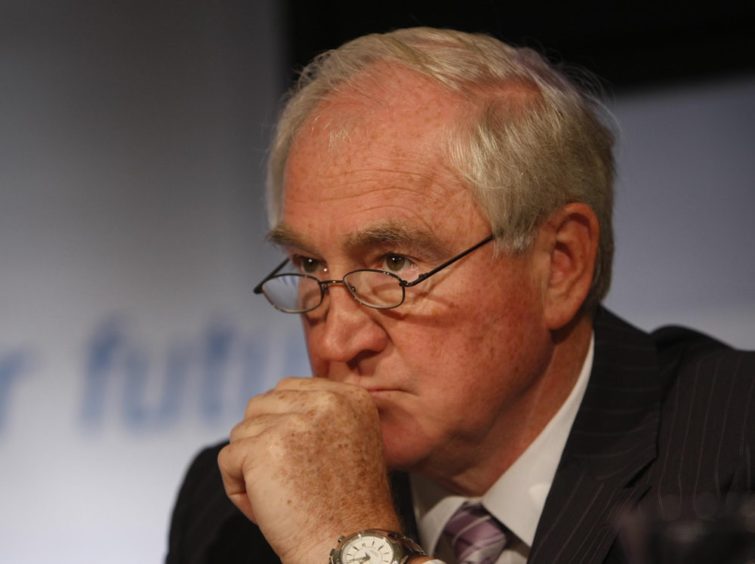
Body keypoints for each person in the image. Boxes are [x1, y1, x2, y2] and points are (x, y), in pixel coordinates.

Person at [166, 27, 754, 564]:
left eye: (394, 263)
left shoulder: (731, 443)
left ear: (560, 267)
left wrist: (354, 547)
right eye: (311, 265)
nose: (340, 339)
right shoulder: (236, 512)